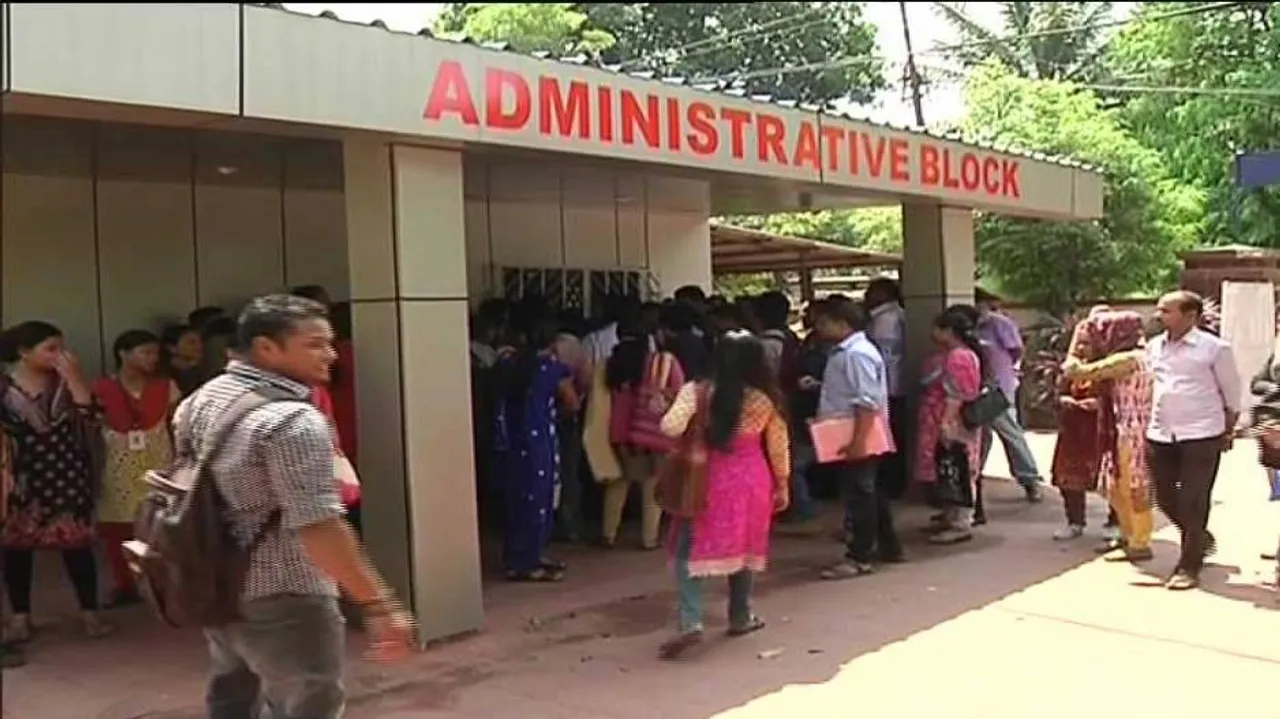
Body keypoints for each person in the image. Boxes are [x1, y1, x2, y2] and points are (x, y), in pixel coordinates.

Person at [189, 295, 414, 717]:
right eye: (315, 344)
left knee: (232, 696)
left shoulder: (202, 399)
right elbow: (319, 525)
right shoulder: (293, 421)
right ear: (266, 348)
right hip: (286, 592)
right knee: (308, 703)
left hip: (213, 579)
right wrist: (379, 605)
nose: (330, 354)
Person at [656, 330, 789, 658]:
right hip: (751, 480)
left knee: (691, 548)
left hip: (704, 479)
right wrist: (783, 484)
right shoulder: (764, 399)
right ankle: (740, 616)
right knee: (745, 547)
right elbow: (777, 447)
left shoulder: (697, 392)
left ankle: (691, 620)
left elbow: (669, 427)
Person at [0, 321, 112, 642]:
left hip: (67, 470)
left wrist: (74, 377)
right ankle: (21, 617)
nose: (58, 355)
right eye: (50, 349)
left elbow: (91, 415)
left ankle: (90, 613)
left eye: (61, 348)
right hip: (21, 475)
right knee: (17, 547)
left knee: (76, 543)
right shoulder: (5, 387)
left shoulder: (63, 383)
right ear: (24, 352)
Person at [1144, 290, 1241, 590]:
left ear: (1190, 316)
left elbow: (1232, 394)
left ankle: (1189, 565)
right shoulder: (1154, 346)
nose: (1160, 316)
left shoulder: (1214, 349)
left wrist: (1228, 430)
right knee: (1163, 496)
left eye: (1167, 311)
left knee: (1194, 499)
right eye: (1159, 310)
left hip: (1202, 433)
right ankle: (1198, 537)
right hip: (1161, 431)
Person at [811, 297, 903, 578]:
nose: (819, 327)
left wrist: (859, 441)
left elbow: (867, 401)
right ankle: (886, 546)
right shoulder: (847, 352)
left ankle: (859, 556)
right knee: (869, 492)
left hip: (855, 434)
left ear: (843, 324)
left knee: (858, 495)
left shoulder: (856, 354)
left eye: (824, 322)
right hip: (851, 432)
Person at [93, 329, 181, 607]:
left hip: (158, 461)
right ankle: (125, 584)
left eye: (155, 353)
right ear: (123, 354)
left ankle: (162, 583)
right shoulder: (100, 389)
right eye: (145, 352)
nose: (152, 358)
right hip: (116, 465)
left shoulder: (166, 387)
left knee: (160, 524)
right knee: (118, 528)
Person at [1062, 310, 1157, 562]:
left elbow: (1079, 372)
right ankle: (1130, 536)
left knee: (1133, 486)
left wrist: (1074, 351)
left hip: (1134, 429)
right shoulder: (1137, 355)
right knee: (1117, 486)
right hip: (1125, 428)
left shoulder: (1128, 359)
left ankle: (1139, 542)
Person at [495, 319, 580, 581]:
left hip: (512, 440)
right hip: (540, 439)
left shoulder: (508, 365)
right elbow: (572, 403)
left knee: (517, 498)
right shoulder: (552, 369)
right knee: (540, 498)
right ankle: (530, 561)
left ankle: (516, 558)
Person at [602, 317, 684, 549]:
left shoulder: (612, 363)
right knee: (651, 485)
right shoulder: (656, 363)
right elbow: (679, 392)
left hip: (619, 429)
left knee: (618, 483)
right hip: (649, 432)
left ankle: (608, 533)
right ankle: (649, 538)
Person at [917, 307, 986, 545]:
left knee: (958, 467)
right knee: (950, 466)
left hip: (951, 418)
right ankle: (952, 514)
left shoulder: (958, 356)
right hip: (947, 416)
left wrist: (947, 423)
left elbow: (957, 394)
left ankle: (961, 522)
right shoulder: (961, 354)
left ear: (948, 331)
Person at [974, 290, 1044, 502]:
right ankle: (974, 477)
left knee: (1009, 432)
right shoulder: (967, 325)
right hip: (974, 387)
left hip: (998, 387)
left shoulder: (999, 324)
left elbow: (1016, 350)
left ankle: (1029, 478)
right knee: (980, 435)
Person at [1048, 307, 1109, 542]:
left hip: (1102, 430)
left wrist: (1101, 405)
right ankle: (1074, 521)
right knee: (1068, 476)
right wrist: (1064, 400)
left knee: (1110, 478)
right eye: (1080, 342)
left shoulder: (1114, 367)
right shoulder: (1071, 367)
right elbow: (1055, 394)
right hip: (1073, 430)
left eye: (1089, 342)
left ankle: (1115, 522)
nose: (1083, 347)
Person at [864, 278, 909, 500]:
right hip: (897, 386)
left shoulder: (884, 321)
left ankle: (890, 485)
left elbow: (885, 357)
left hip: (888, 387)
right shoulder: (899, 315)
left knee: (888, 437)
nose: (867, 295)